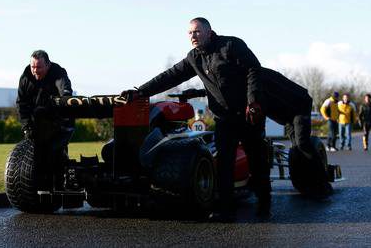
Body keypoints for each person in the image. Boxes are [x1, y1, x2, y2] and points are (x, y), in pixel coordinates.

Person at [123, 17, 271, 220]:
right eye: (190, 33)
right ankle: (226, 211)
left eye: (197, 31)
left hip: (247, 114)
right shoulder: (194, 58)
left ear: (209, 32)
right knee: (224, 163)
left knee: (257, 160)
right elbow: (170, 76)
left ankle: (264, 204)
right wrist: (141, 92)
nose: (193, 36)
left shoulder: (231, 45)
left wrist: (253, 101)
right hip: (224, 118)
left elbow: (254, 69)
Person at [260, 67, 333, 197]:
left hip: (299, 105)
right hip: (287, 112)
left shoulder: (254, 75)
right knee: (295, 149)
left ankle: (323, 183)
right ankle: (303, 184)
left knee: (302, 144)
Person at [16, 50, 74, 189]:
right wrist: (26, 126)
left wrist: (65, 96)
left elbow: (64, 89)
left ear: (48, 65)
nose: (35, 71)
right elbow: (21, 104)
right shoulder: (26, 77)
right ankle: (36, 186)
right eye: (33, 67)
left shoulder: (58, 73)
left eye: (39, 67)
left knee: (55, 151)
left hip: (59, 122)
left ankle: (59, 184)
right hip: (36, 123)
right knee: (36, 154)